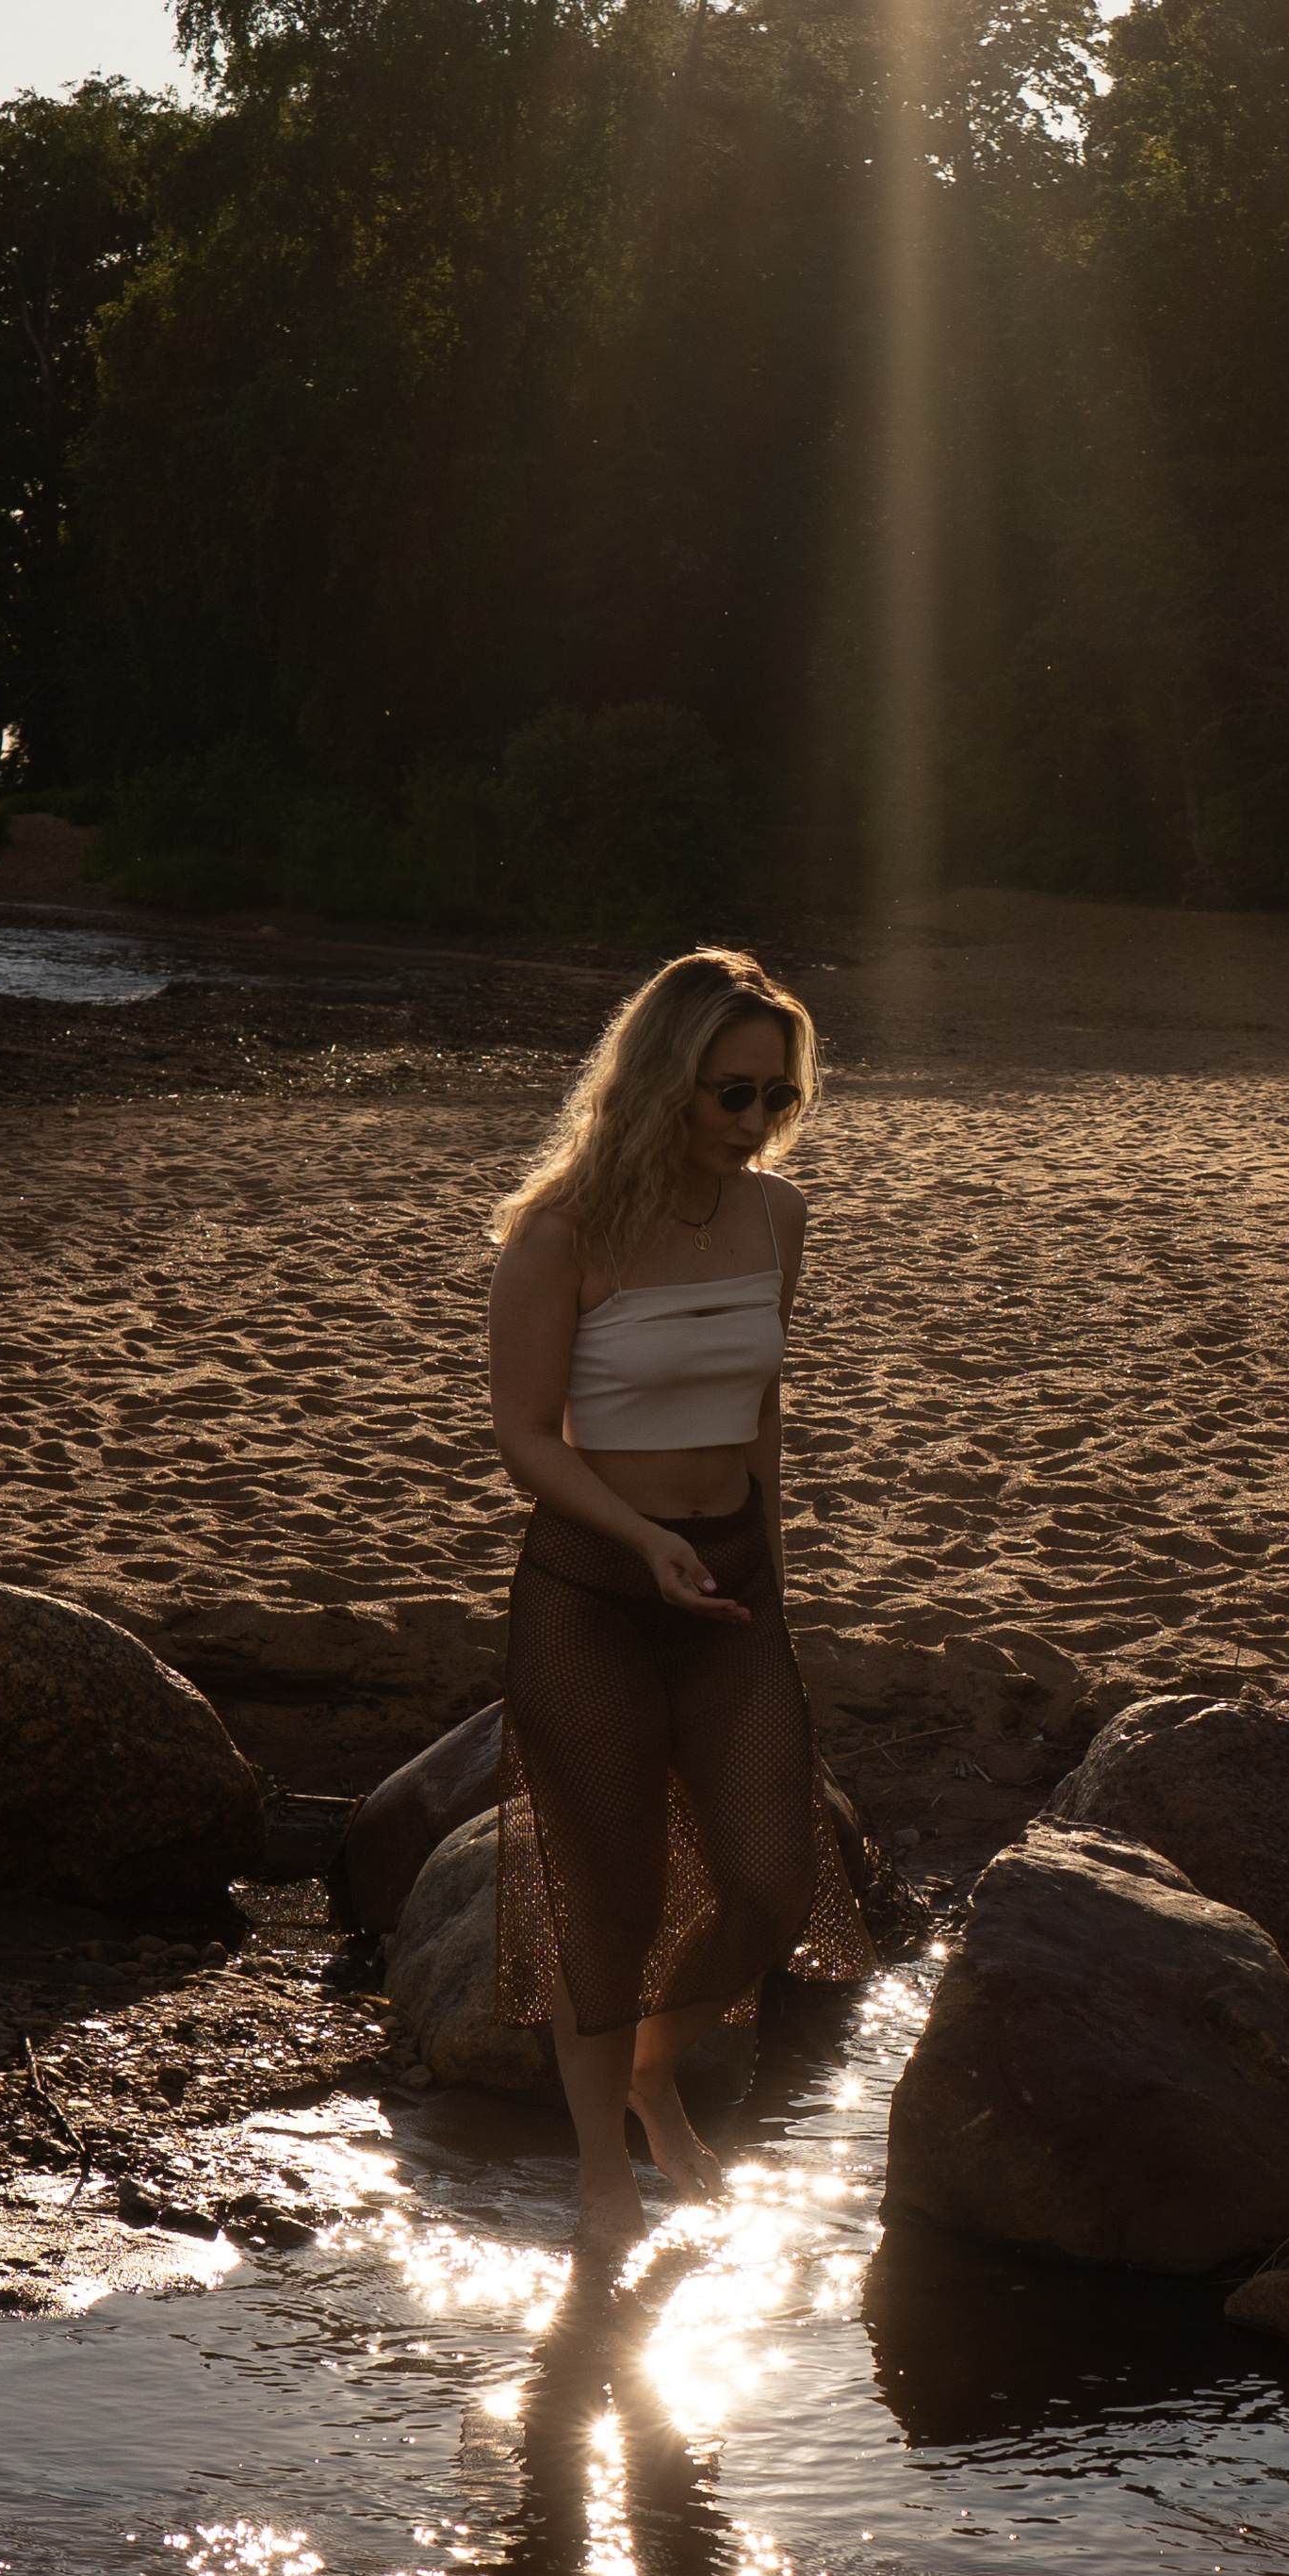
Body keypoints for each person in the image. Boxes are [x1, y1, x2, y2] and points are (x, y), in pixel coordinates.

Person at [486, 943, 870, 2252]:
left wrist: (773, 1561)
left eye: (778, 1095)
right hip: (595, 1590)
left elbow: (761, 1403)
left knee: (772, 1885)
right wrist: (644, 1538)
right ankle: (605, 2169)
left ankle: (654, 2074)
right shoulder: (563, 1231)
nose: (757, 1123)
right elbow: (528, 1437)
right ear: (663, 1086)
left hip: (734, 1583)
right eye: (731, 1095)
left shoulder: (779, 1218)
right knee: (613, 1900)